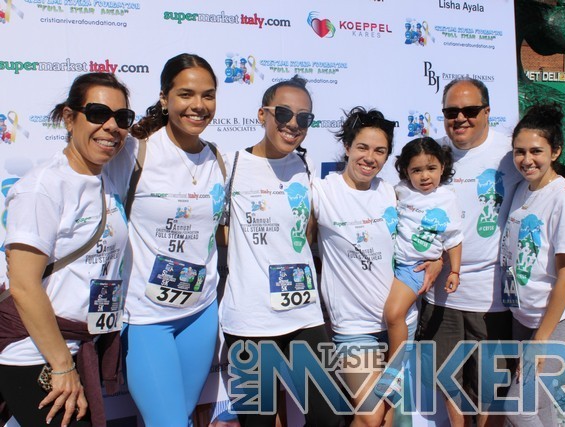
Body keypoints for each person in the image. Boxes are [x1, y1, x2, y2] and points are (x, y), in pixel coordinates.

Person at [416, 78, 565, 427]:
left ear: (487, 111)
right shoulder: (432, 155)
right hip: (456, 300)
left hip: (495, 303)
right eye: (451, 111)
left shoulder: (506, 154)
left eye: (470, 110)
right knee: (453, 388)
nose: (460, 118)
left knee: (503, 400)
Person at [0, 72, 134, 426]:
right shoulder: (43, 188)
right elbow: (23, 284)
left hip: (77, 346)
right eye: (97, 113)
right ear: (69, 118)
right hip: (36, 353)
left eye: (122, 118)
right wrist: (61, 366)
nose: (111, 126)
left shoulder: (107, 177)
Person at [108, 53, 225, 427]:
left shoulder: (217, 159)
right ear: (164, 98)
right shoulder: (133, 152)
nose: (198, 105)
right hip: (147, 319)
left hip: (200, 314)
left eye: (208, 95)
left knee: (180, 417)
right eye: (186, 94)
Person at [219, 75, 343, 427]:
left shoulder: (304, 165)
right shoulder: (230, 165)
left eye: (304, 118)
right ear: (263, 114)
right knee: (258, 422)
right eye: (284, 113)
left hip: (303, 314)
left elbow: (306, 230)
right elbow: (215, 230)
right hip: (250, 319)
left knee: (329, 418)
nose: (293, 124)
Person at [312, 106, 402, 426]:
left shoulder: (391, 193)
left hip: (399, 325)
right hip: (353, 328)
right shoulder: (322, 192)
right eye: (362, 147)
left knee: (390, 418)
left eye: (380, 151)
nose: (370, 158)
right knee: (370, 415)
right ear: (347, 147)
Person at [503, 104, 565, 426]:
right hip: (523, 318)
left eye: (536, 151)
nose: (527, 159)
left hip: (553, 322)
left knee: (518, 407)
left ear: (556, 151)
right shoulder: (522, 189)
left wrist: (541, 340)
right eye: (519, 151)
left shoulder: (562, 199)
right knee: (539, 406)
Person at [376, 137, 463, 401]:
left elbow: (454, 239)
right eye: (416, 170)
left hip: (416, 269)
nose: (425, 176)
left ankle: (394, 371)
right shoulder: (400, 190)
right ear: (405, 171)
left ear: (442, 167)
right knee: (396, 318)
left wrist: (454, 271)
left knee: (393, 314)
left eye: (431, 168)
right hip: (392, 265)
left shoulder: (447, 198)